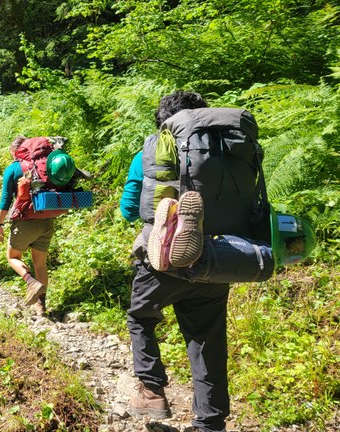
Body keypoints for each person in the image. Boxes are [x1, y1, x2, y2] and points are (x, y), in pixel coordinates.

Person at [120, 91, 233, 432]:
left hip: (163, 256)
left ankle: (152, 391)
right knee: (207, 338)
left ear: (164, 122)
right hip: (216, 258)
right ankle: (210, 422)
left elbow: (129, 209)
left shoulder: (151, 152)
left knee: (141, 316)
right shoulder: (225, 152)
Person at [0, 135, 52, 316]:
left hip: (25, 221)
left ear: (15, 151)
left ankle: (30, 281)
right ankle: (41, 306)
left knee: (12, 257)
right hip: (47, 221)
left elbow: (5, 200)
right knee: (40, 265)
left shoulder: (13, 168)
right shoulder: (46, 164)